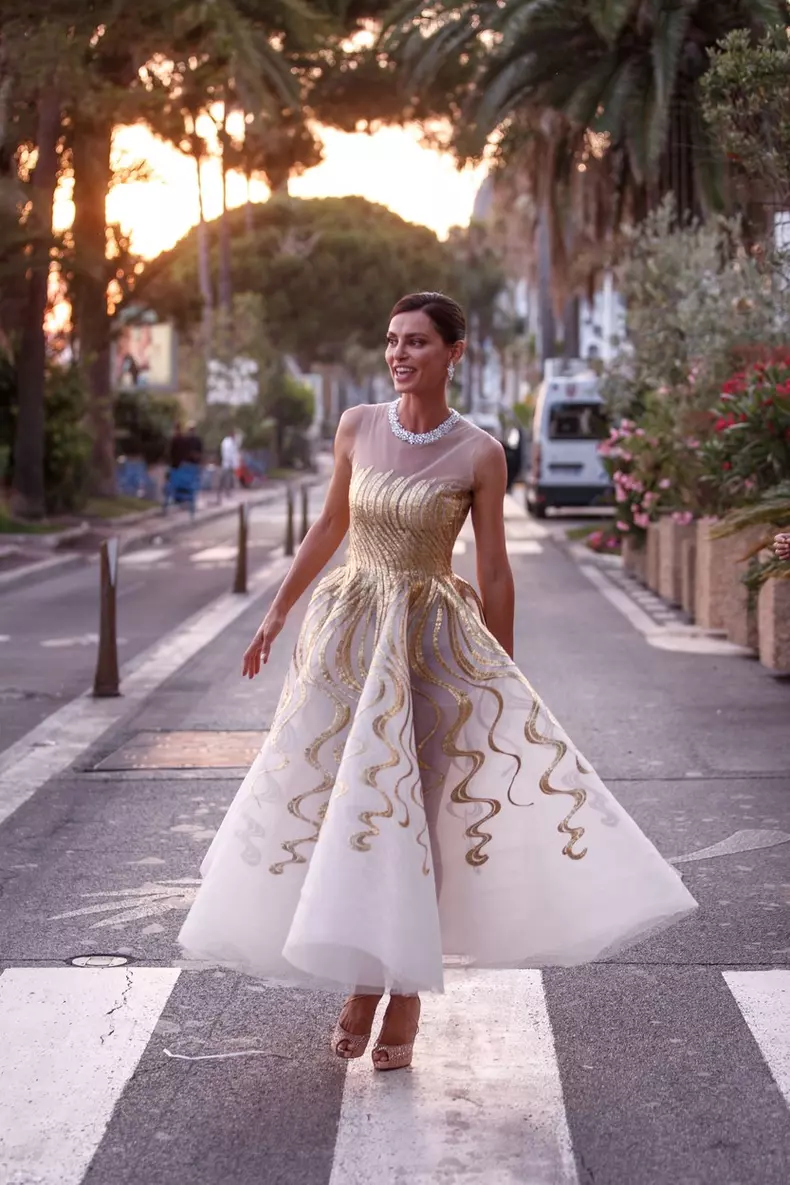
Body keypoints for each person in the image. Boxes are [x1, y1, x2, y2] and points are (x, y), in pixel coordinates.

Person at [178, 292, 697, 1072]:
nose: (399, 354)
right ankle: (361, 979)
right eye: (392, 341)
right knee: (343, 805)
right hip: (350, 634)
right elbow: (329, 527)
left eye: (416, 342)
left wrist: (503, 678)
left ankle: (406, 990)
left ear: (455, 351)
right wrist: (275, 613)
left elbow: (493, 568)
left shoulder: (481, 452)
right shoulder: (357, 426)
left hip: (430, 641)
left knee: (415, 811)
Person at [219, 429, 241, 496]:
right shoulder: (226, 442)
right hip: (227, 462)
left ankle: (229, 491)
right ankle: (223, 491)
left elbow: (235, 452)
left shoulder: (233, 442)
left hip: (231, 463)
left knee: (230, 477)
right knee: (225, 477)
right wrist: (229, 460)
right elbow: (226, 452)